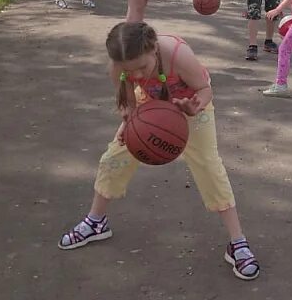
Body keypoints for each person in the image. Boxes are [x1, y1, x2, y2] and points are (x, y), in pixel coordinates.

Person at [58, 22, 260, 281]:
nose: (139, 76)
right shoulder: (120, 66)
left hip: (191, 105)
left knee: (209, 166)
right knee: (113, 157)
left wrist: (193, 108)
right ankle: (96, 221)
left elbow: (205, 89)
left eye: (143, 67)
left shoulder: (177, 55)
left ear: (153, 49)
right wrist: (128, 123)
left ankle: (237, 243)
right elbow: (130, 101)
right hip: (152, 109)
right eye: (131, 71)